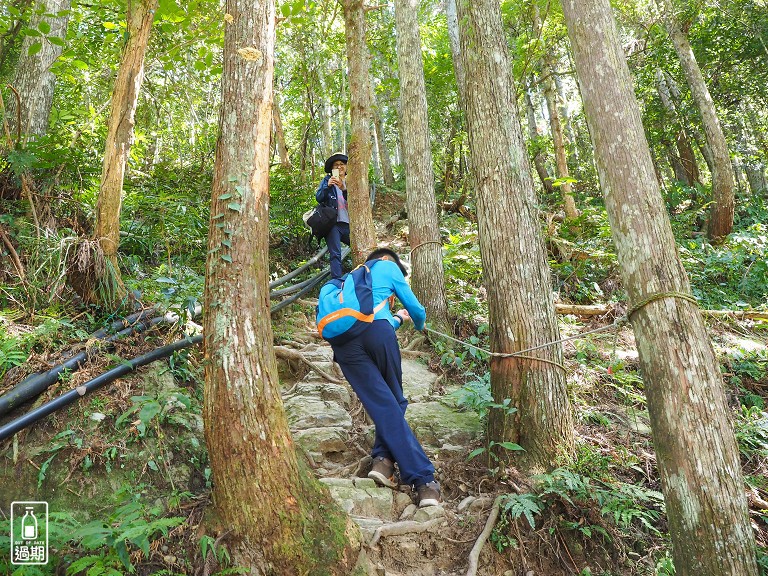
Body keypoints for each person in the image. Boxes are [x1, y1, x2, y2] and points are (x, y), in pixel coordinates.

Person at [329, 247, 442, 507]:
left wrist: (397, 320)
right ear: (386, 259)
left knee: (383, 404)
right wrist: (419, 323)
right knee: (395, 402)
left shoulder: (349, 280)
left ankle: (382, 462)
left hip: (344, 347)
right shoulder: (387, 266)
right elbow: (415, 307)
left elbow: (364, 322)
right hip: (377, 335)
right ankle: (423, 480)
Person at [315, 152, 350, 279]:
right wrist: (327, 186)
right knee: (335, 254)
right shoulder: (326, 180)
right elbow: (319, 198)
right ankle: (337, 284)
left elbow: (358, 201)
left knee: (360, 247)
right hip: (333, 223)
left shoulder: (352, 181)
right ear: (332, 169)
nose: (339, 167)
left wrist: (344, 188)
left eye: (342, 164)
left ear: (346, 167)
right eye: (336, 165)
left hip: (350, 224)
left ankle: (362, 279)